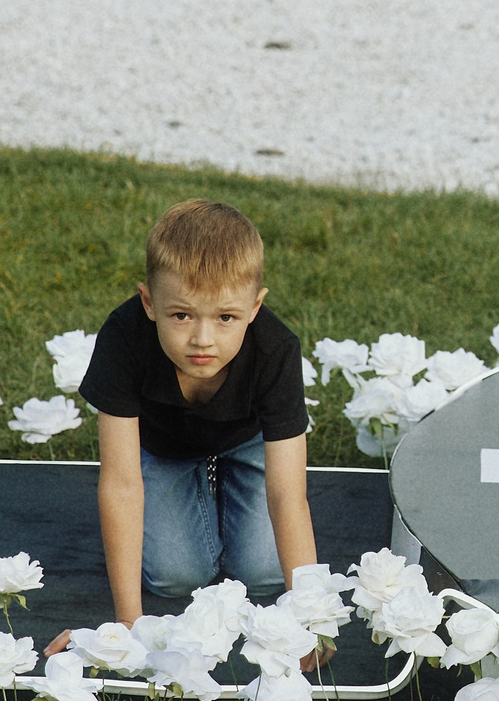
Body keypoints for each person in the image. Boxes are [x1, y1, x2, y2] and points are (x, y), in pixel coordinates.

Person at [45, 198, 322, 658]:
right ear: (149, 303)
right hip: (163, 447)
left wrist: (312, 621)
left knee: (263, 571)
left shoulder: (276, 350)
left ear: (254, 308)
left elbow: (287, 494)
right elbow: (120, 483)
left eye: (226, 317)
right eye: (182, 315)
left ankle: (224, 478)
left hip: (246, 443)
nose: (202, 339)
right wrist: (128, 625)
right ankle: (196, 484)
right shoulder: (122, 338)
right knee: (176, 577)